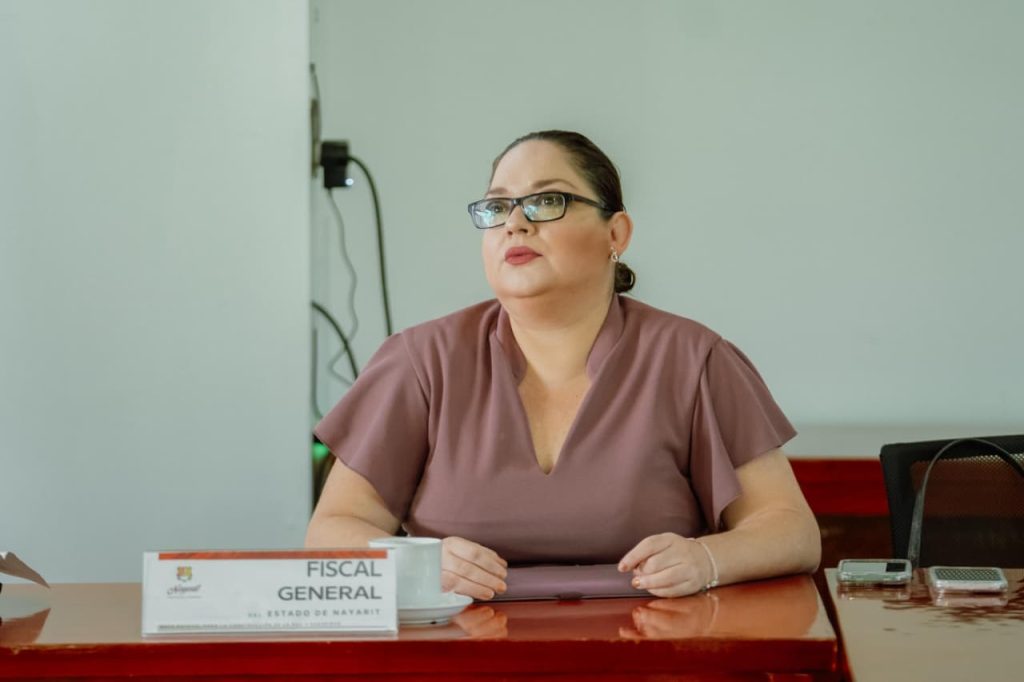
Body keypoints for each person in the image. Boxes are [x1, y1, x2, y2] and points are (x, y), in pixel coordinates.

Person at [306, 130, 821, 600]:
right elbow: (331, 529)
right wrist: (415, 563)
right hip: (460, 647)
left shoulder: (694, 359)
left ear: (616, 233)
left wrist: (706, 558)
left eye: (547, 201)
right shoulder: (420, 362)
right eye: (497, 207)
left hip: (652, 646)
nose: (515, 223)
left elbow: (790, 529)